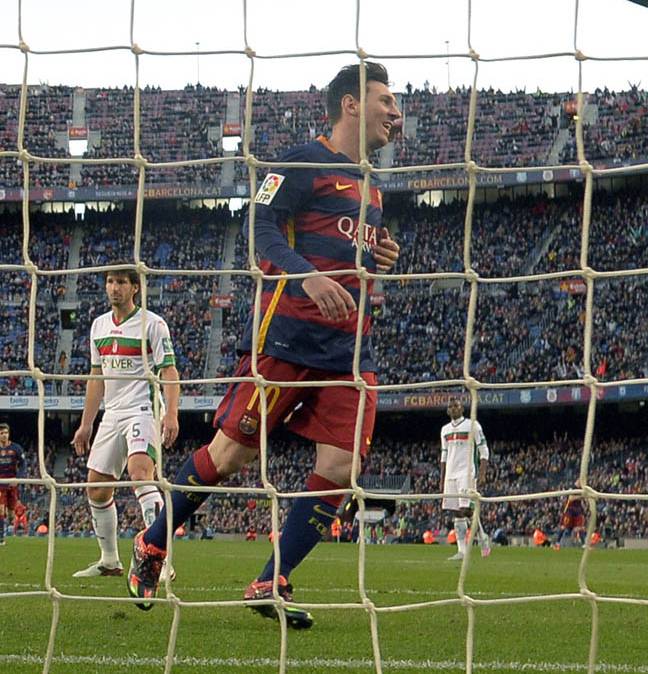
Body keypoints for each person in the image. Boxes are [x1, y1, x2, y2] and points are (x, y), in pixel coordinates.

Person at [126, 61, 401, 629]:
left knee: (343, 467)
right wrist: (305, 276)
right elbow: (260, 224)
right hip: (288, 341)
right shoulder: (302, 161)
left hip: (350, 355)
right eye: (386, 100)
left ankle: (269, 579)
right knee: (230, 457)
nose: (395, 112)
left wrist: (378, 256)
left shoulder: (375, 187)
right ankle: (152, 543)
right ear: (351, 104)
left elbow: (350, 253)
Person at [72, 268, 179, 576]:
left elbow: (169, 371)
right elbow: (96, 378)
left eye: (121, 282)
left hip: (143, 408)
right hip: (113, 413)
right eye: (110, 282)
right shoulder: (98, 325)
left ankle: (161, 558)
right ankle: (109, 561)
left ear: (135, 288)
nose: (114, 288)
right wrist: (86, 423)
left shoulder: (153, 324)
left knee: (140, 473)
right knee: (97, 488)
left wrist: (171, 413)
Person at [439, 399, 491, 561]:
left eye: (456, 405)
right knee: (456, 512)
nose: (454, 408)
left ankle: (482, 537)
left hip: (467, 472)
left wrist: (482, 473)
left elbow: (484, 450)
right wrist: (442, 478)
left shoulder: (472, 425)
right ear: (448, 411)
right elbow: (444, 455)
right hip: (450, 474)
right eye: (451, 406)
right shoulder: (445, 430)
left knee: (466, 509)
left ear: (462, 408)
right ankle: (461, 551)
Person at [0, 423, 26, 545]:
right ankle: (1, 538)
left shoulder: (16, 448)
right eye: (1, 433)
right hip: (1, 484)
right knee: (1, 510)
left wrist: (19, 478)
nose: (4, 435)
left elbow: (23, 464)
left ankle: (9, 518)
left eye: (6, 433)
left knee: (10, 512)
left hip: (12, 483)